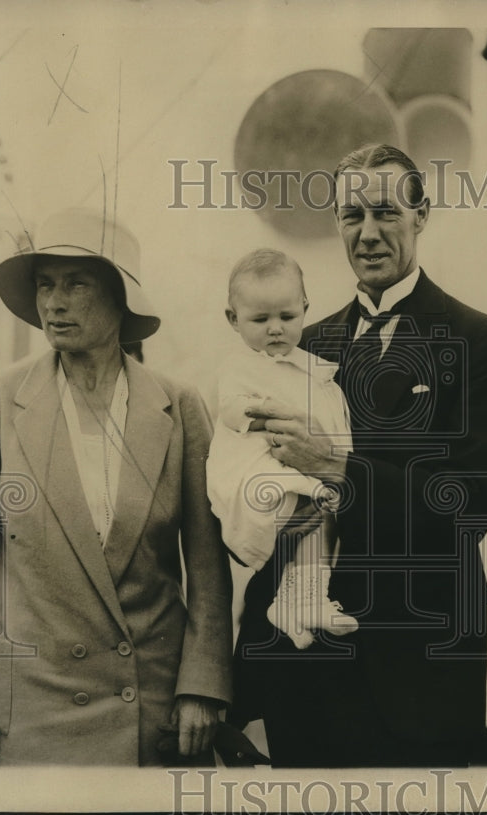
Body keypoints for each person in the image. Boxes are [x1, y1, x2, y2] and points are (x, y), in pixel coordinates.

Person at [230, 144, 487, 766]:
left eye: (386, 212)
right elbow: (267, 501)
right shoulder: (306, 342)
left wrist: (332, 466)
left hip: (420, 671)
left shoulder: (479, 340)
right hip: (303, 669)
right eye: (350, 216)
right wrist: (245, 675)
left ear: (422, 215)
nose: (367, 233)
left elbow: (466, 505)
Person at [0, 208, 234, 766]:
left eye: (75, 284)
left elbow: (208, 568)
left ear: (121, 297)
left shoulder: (178, 405)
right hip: (34, 711)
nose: (53, 302)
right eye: (45, 285)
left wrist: (203, 684)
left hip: (154, 707)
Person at [206, 248, 358, 649]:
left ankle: (301, 599)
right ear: (233, 319)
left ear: (305, 308)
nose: (275, 329)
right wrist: (272, 418)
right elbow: (232, 408)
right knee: (311, 510)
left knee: (321, 523)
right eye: (261, 319)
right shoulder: (241, 364)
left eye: (287, 317)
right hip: (254, 465)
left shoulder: (305, 363)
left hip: (292, 467)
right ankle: (299, 598)